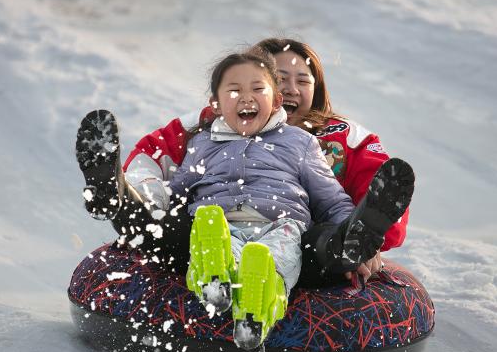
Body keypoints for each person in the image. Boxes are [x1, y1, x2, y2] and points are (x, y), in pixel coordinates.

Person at [76, 38, 409, 287]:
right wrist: (149, 202)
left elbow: (350, 193)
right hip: (213, 227)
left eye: (303, 81)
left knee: (321, 241)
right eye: (280, 78)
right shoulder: (208, 131)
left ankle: (348, 243)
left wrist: (364, 237)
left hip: (289, 233)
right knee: (160, 227)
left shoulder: (334, 137)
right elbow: (158, 163)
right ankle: (116, 196)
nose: (291, 89)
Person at [161, 49, 412, 349]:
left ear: (275, 99)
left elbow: (331, 198)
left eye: (258, 89)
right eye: (235, 90)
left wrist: (351, 227)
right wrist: (159, 215)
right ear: (214, 104)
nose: (246, 98)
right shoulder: (202, 142)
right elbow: (178, 189)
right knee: (211, 229)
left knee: (274, 261)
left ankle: (252, 310)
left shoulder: (301, 142)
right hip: (221, 218)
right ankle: (215, 278)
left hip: (280, 224)